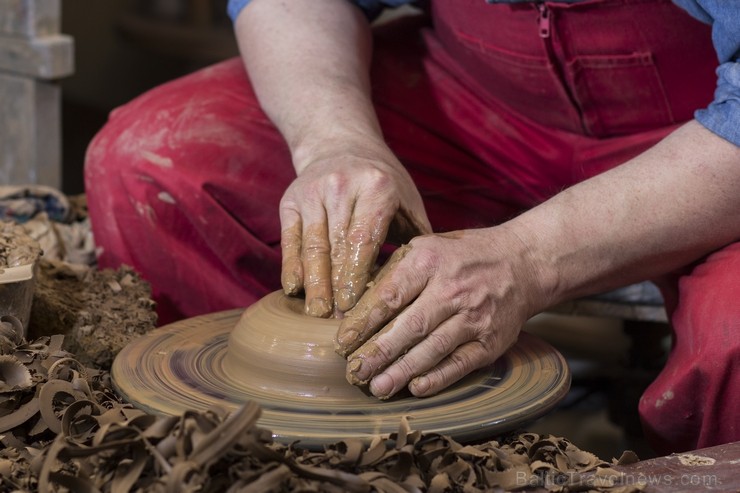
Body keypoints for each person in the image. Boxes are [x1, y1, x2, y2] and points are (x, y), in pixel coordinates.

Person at [84, 0, 739, 455]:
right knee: (155, 167)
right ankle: (296, 454)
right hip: (478, 99)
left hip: (704, 139)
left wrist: (530, 258)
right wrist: (335, 140)